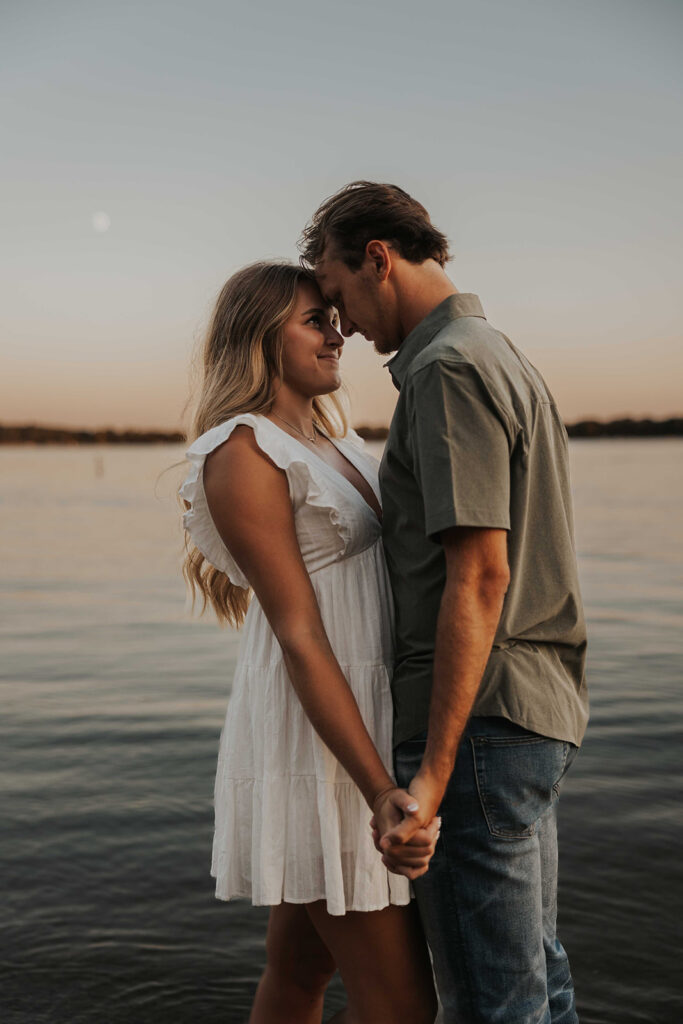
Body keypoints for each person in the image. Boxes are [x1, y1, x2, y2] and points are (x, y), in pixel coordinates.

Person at [300, 182, 589, 1024]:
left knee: (490, 1006)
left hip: (474, 730)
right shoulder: (493, 352)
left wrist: (428, 776)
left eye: (339, 294)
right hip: (525, 717)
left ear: (377, 259)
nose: (341, 324)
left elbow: (480, 576)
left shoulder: (446, 368)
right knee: (537, 985)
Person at [180, 260, 439, 1024]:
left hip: (363, 713)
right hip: (320, 742)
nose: (338, 333)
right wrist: (377, 788)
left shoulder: (335, 438)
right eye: (315, 321)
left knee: (298, 971)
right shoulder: (241, 451)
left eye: (333, 317)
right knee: (401, 1005)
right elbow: (297, 632)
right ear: (261, 338)